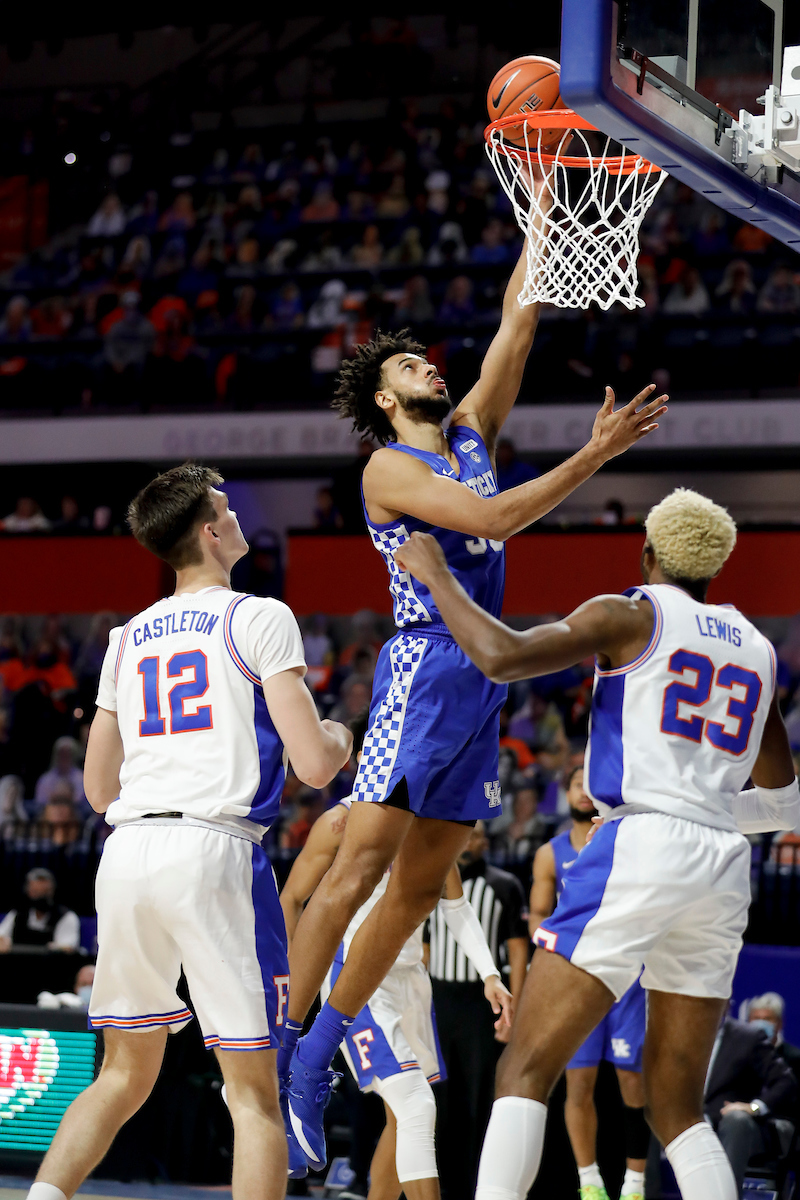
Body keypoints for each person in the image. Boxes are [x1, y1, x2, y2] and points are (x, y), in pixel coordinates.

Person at [284, 226, 668, 1172]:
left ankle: (321, 1053)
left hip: (479, 684)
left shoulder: (470, 436)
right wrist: (596, 454)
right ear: (386, 398)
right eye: (408, 362)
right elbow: (495, 519)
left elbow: (520, 318)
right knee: (357, 869)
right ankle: (285, 1047)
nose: (429, 363)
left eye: (427, 355)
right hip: (423, 669)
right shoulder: (388, 467)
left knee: (414, 892)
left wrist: (543, 208)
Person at [392, 486, 800, 1200]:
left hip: (640, 842)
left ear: (646, 554)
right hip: (724, 865)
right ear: (715, 568)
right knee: (675, 1108)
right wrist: (700, 815)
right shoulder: (760, 650)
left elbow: (500, 654)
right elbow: (784, 799)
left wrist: (437, 577)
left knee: (523, 1070)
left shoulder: (629, 612)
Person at [25, 463, 352, 1200]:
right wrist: (340, 732)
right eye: (228, 509)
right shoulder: (257, 616)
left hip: (130, 851)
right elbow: (314, 765)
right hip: (214, 851)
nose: (238, 518)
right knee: (254, 1095)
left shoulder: (125, 637)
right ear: (210, 531)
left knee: (121, 1073)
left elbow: (98, 789)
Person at [280, 715, 512, 1200]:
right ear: (367, 756)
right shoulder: (340, 821)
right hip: (357, 984)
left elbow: (455, 905)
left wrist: (490, 973)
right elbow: (293, 898)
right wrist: (288, 985)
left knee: (402, 1116)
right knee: (416, 1107)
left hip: (411, 980)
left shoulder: (426, 823)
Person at [528, 766, 648, 1200]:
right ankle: (590, 1183)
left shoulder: (628, 839)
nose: (583, 791)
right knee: (578, 1084)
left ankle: (635, 1183)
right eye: (576, 783)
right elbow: (538, 916)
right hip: (579, 972)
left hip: (628, 973)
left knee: (633, 1081)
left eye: (588, 784)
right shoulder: (550, 852)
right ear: (566, 792)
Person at [427, 821, 529, 1200]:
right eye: (468, 833)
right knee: (439, 1098)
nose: (473, 840)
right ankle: (441, 1185)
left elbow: (518, 951)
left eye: (479, 834)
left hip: (479, 1003)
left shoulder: (503, 885)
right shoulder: (432, 876)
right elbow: (425, 947)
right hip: (439, 998)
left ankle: (475, 1186)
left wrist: (513, 1010)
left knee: (477, 1097)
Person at [704, 1015, 797, 1196]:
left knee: (736, 1121)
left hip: (732, 1126)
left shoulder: (747, 1037)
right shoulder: (683, 1034)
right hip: (693, 1120)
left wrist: (754, 1107)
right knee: (650, 1114)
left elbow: (786, 1082)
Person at [0, 867, 80, 953]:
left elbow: (67, 948)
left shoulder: (66, 917)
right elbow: (2, 938)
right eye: (35, 892)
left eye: (44, 892)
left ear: (52, 891)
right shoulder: (18, 913)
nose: (39, 898)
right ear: (28, 891)